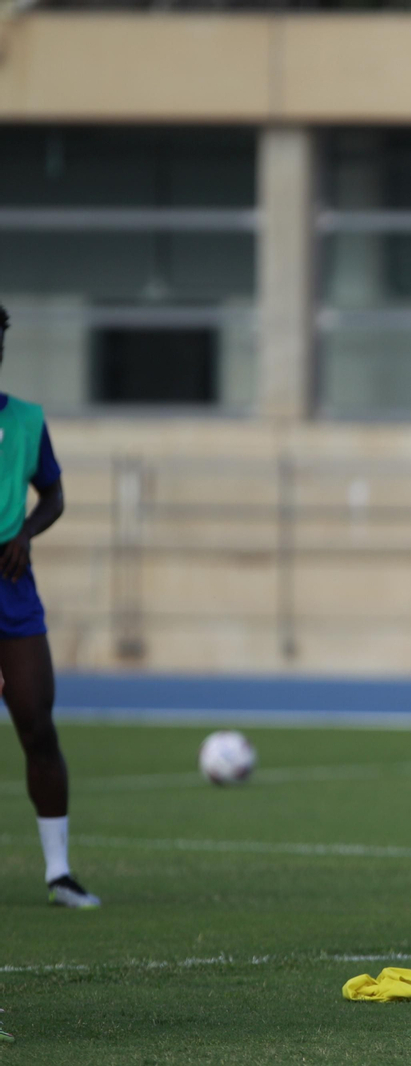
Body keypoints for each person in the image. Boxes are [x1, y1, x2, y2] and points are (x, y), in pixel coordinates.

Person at [0, 306, 98, 909]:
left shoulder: (28, 421)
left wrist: (26, 532)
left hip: (11, 587)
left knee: (37, 722)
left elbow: (54, 493)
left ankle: (59, 873)